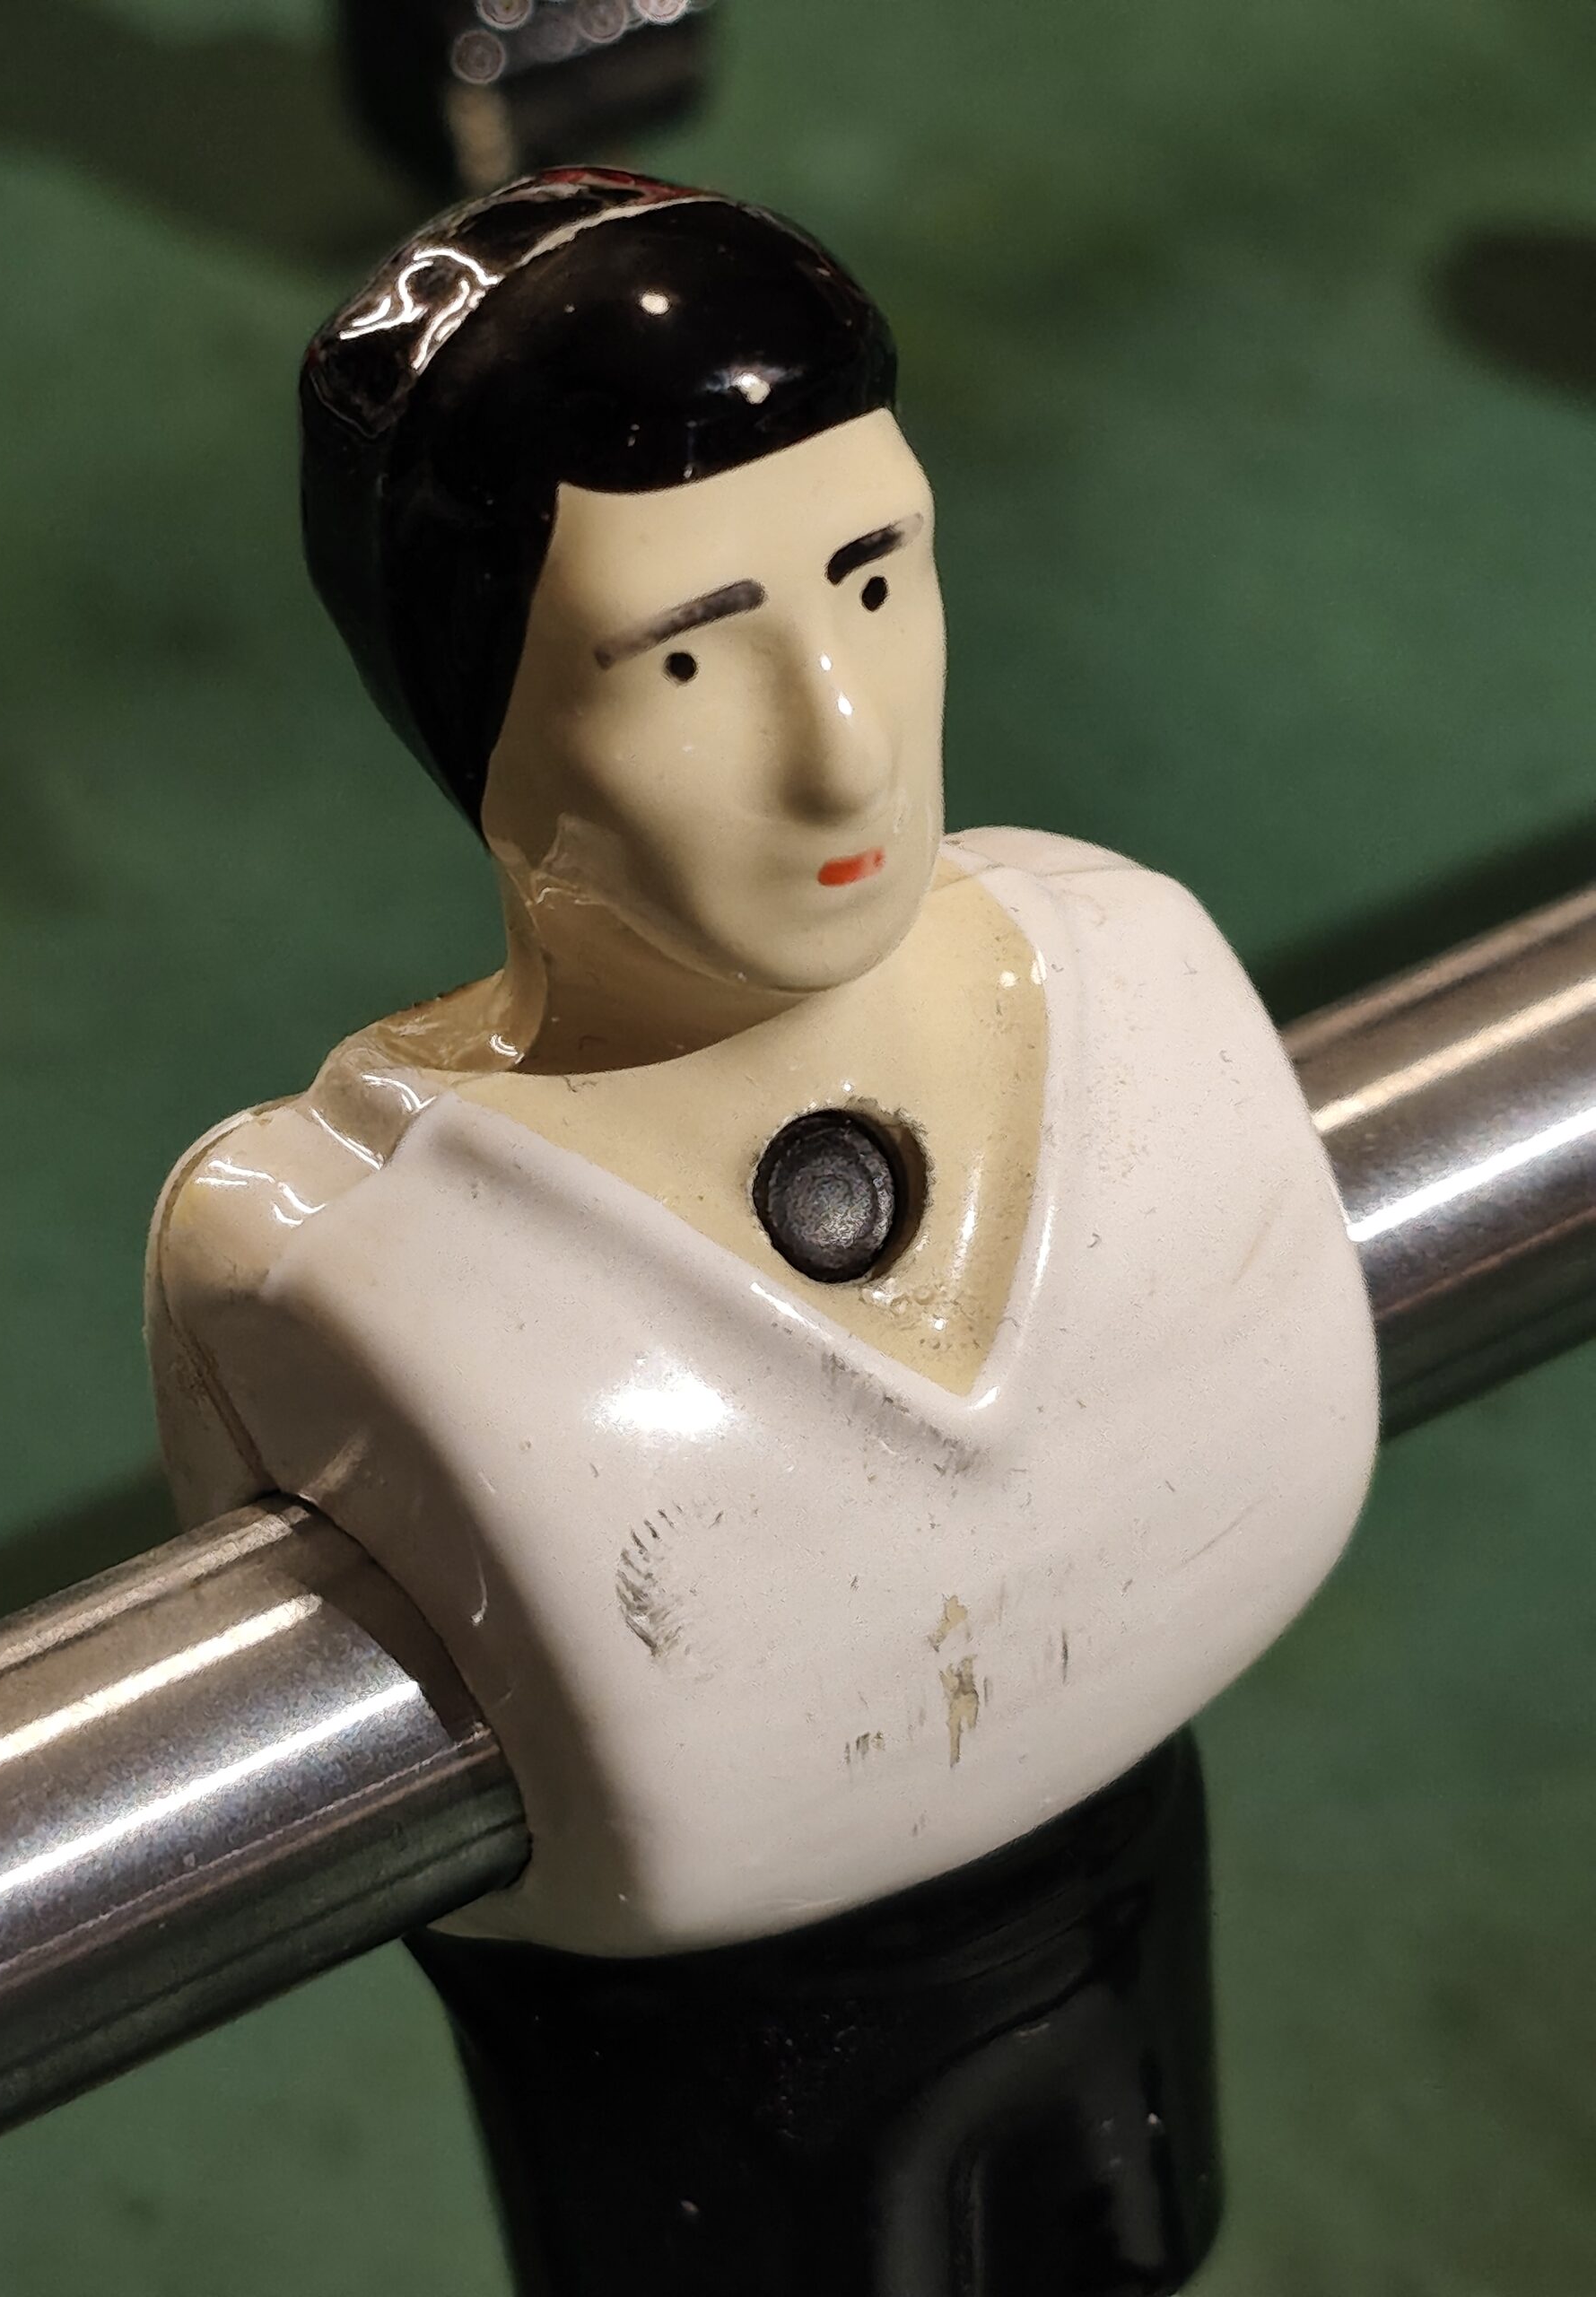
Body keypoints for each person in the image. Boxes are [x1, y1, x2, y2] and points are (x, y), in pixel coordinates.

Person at [147, 168, 1378, 2297]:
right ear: (478, 709)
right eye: (692, 652)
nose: (843, 743)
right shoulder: (328, 1257)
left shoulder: (1132, 976)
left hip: (1114, 1985)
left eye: (876, 578)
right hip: (685, 2143)